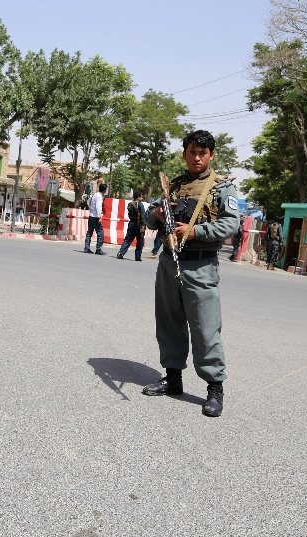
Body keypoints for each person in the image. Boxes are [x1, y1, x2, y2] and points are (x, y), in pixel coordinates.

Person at [142, 130, 238, 417]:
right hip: (170, 261)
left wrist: (196, 230)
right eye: (192, 152)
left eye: (203, 153)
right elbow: (150, 219)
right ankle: (172, 379)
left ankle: (214, 389)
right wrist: (157, 215)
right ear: (184, 153)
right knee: (169, 322)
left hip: (201, 265)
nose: (197, 157)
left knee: (206, 328)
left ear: (211, 155)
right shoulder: (174, 185)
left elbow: (230, 225)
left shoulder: (221, 188)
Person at [116, 190, 146, 261]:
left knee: (128, 240)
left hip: (131, 224)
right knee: (140, 241)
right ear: (138, 197)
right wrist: (143, 226)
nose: (142, 198)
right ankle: (138, 257)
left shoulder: (130, 204)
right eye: (141, 197)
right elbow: (142, 216)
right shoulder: (140, 204)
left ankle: (120, 253)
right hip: (138, 225)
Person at [83, 182, 107, 255]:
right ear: (104, 190)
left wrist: (91, 209)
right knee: (100, 233)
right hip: (96, 217)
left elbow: (88, 202)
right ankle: (98, 249)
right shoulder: (99, 196)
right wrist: (100, 216)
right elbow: (98, 207)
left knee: (89, 233)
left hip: (91, 216)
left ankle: (86, 248)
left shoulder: (94, 194)